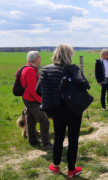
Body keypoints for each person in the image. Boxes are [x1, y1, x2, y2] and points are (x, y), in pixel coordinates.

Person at [36, 44, 90, 178]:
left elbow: (38, 90)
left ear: (55, 54)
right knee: (73, 139)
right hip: (74, 110)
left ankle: (55, 166)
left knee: (58, 138)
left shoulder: (47, 70)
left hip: (56, 109)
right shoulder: (74, 69)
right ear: (70, 55)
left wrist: (53, 97)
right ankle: (72, 170)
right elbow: (85, 86)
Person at [20, 51, 52, 149]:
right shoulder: (30, 70)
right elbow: (33, 89)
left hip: (28, 98)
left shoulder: (29, 67)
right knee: (44, 119)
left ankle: (32, 141)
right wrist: (40, 100)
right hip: (31, 99)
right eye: (39, 56)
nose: (41, 58)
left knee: (31, 120)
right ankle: (46, 144)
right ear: (34, 59)